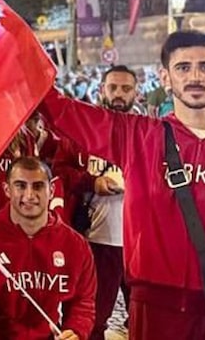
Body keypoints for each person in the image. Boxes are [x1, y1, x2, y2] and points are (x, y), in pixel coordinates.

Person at [38, 30, 205, 339]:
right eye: (183, 67)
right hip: (155, 312)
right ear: (165, 76)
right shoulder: (138, 137)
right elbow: (60, 110)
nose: (195, 77)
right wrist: (15, 51)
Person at [0, 156, 96, 340]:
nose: (29, 195)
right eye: (20, 186)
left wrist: (77, 331)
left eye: (38, 186)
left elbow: (84, 301)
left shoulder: (76, 246)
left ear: (52, 190)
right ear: (7, 190)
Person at [52, 64, 136, 340]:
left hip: (141, 242)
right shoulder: (82, 130)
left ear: (137, 93)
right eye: (113, 87)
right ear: (101, 90)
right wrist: (93, 182)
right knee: (93, 319)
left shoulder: (150, 133)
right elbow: (60, 170)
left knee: (145, 320)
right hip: (97, 239)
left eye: (126, 88)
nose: (119, 94)